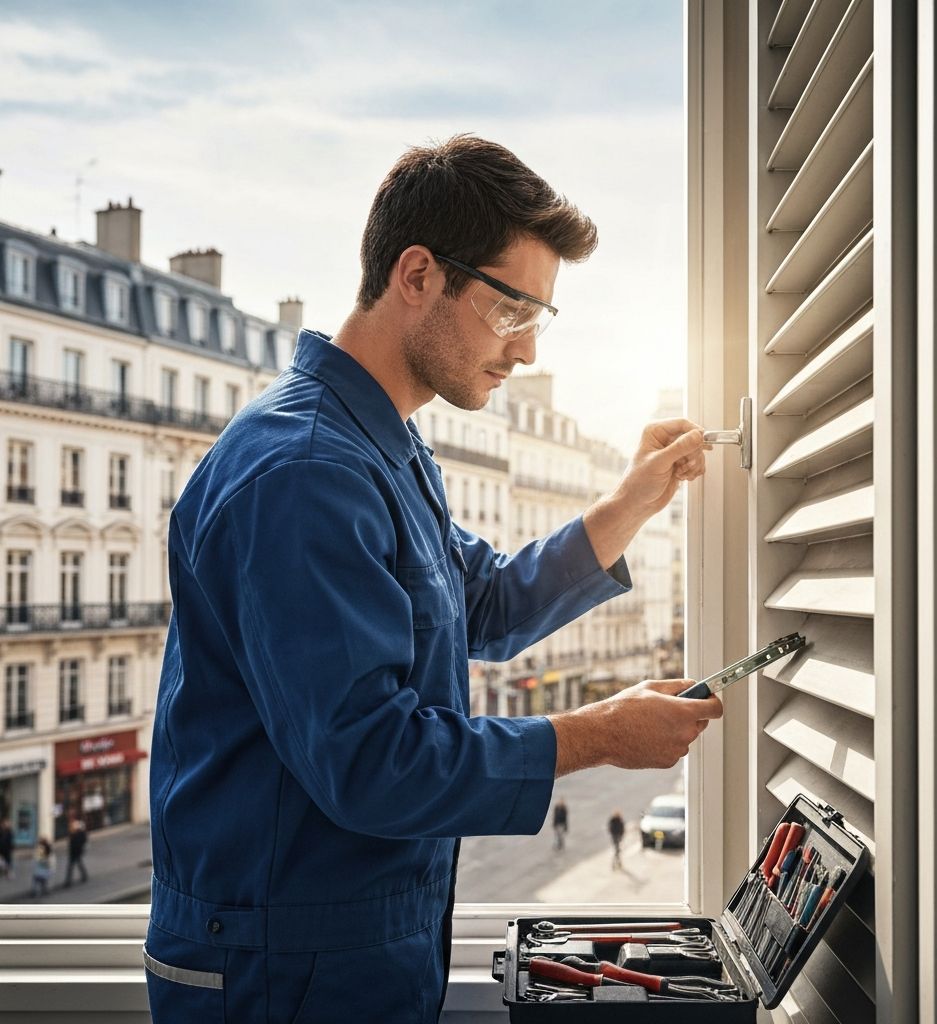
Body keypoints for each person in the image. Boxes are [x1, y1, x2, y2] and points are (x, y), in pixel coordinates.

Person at [144, 135, 722, 1024]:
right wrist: (597, 736)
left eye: (542, 319)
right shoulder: (304, 470)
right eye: (511, 310)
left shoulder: (381, 445)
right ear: (418, 275)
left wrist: (628, 504)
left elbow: (478, 603)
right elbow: (371, 760)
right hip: (280, 967)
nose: (526, 350)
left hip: (333, 950)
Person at [63, 819, 88, 887]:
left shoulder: (78, 834)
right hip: (74, 852)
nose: (72, 828)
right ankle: (84, 876)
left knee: (72, 867)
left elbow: (76, 844)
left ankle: (68, 882)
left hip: (76, 852)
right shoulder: (75, 834)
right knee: (77, 865)